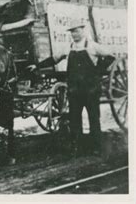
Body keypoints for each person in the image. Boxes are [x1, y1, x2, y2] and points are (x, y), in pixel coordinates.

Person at [29, 21, 112, 156]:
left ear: (83, 31)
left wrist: (97, 71)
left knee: (94, 119)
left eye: (77, 31)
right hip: (74, 90)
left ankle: (96, 147)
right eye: (72, 32)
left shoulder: (93, 46)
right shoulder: (69, 48)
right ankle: (78, 148)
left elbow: (110, 57)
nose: (74, 34)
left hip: (91, 90)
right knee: (75, 120)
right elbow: (54, 59)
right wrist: (37, 66)